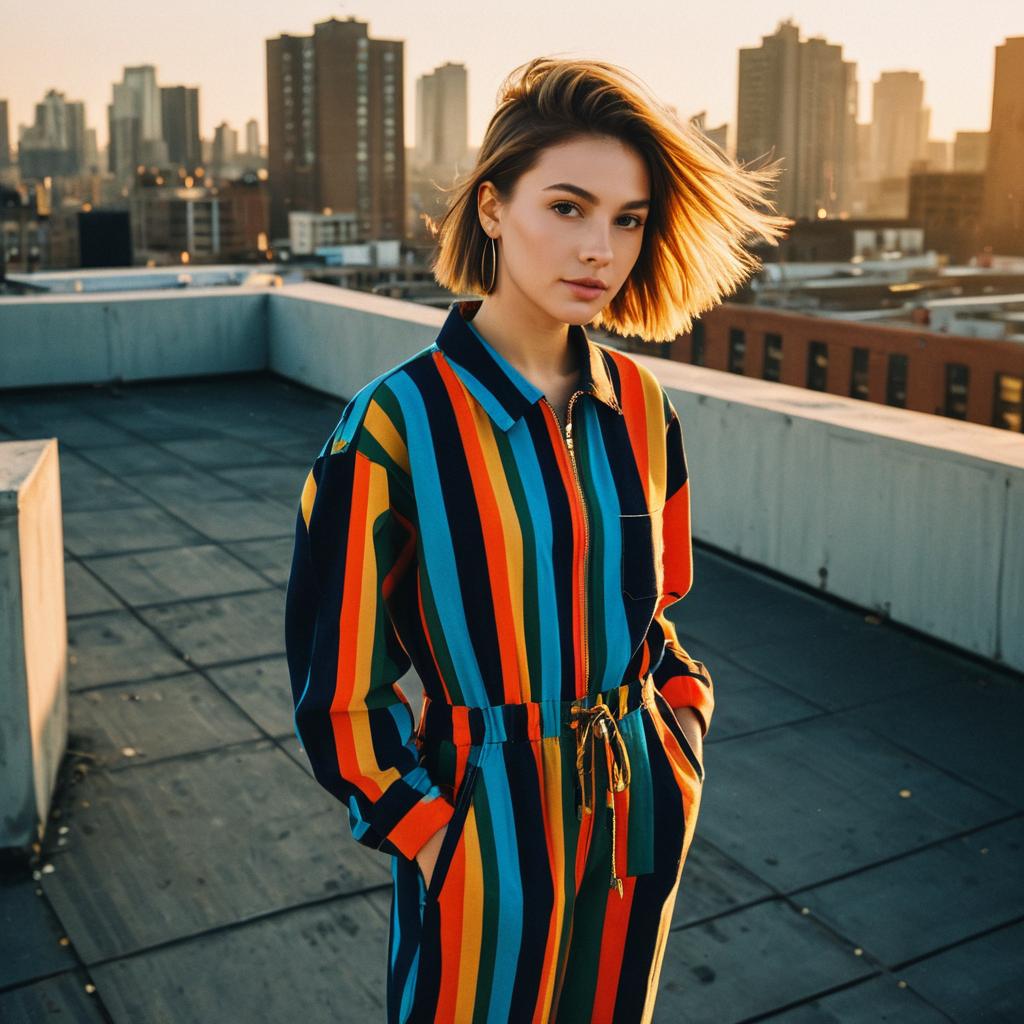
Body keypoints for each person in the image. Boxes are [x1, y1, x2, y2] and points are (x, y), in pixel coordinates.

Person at [284, 56, 789, 1024]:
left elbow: (658, 605)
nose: (599, 247)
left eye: (628, 218)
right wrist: (431, 832)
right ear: (489, 209)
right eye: (567, 207)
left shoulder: (640, 405)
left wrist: (679, 722)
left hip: (637, 801)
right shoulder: (392, 425)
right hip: (483, 824)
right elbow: (334, 680)